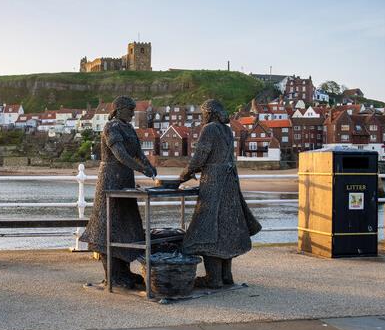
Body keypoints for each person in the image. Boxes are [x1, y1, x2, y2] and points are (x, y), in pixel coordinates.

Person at [178, 99, 261, 288]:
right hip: (229, 183)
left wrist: (183, 175)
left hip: (214, 183)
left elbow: (200, 157)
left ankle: (213, 279)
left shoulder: (210, 129)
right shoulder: (226, 130)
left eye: (204, 113)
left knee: (207, 228)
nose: (203, 117)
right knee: (226, 228)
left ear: (211, 113)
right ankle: (226, 276)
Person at [79, 96, 158, 288]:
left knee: (125, 224)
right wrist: (142, 169)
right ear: (119, 109)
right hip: (110, 178)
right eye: (130, 110)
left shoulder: (129, 128)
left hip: (125, 178)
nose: (132, 113)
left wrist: (149, 166)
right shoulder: (111, 127)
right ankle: (113, 275)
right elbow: (120, 154)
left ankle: (123, 272)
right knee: (109, 225)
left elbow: (138, 153)